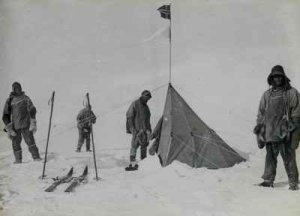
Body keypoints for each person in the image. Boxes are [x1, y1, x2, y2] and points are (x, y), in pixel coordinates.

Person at [254, 65, 300, 190]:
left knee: (289, 158)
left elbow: (297, 113)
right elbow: (261, 113)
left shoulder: (291, 93)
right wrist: (260, 130)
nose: (277, 79)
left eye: (279, 76)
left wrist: (295, 133)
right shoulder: (267, 95)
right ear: (271, 78)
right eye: (275, 76)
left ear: (283, 77)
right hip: (271, 133)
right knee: (270, 157)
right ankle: (268, 180)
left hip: (286, 132)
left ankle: (293, 182)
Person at [2, 82, 41, 163]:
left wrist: (33, 121)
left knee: (30, 141)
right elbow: (5, 115)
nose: (18, 89)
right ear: (13, 90)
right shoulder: (10, 100)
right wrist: (9, 128)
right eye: (16, 88)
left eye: (19, 87)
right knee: (15, 144)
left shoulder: (25, 98)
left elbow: (32, 109)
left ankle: (36, 157)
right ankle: (18, 160)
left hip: (26, 125)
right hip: (15, 127)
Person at [125, 90, 152, 170]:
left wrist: (149, 131)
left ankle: (143, 164)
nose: (147, 99)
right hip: (136, 131)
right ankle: (132, 164)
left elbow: (148, 121)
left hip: (144, 132)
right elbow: (129, 116)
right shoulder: (135, 104)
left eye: (148, 98)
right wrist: (132, 129)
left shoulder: (147, 108)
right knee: (134, 146)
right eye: (146, 97)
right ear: (143, 96)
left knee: (144, 147)